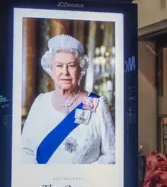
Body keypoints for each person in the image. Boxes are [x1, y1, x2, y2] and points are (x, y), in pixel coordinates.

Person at [21, 34, 115, 165]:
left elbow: (111, 155)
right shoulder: (40, 103)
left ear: (80, 69)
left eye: (71, 65)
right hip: (44, 185)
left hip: (84, 185)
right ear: (51, 69)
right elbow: (25, 150)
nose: (65, 72)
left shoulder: (97, 104)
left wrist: (80, 177)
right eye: (59, 65)